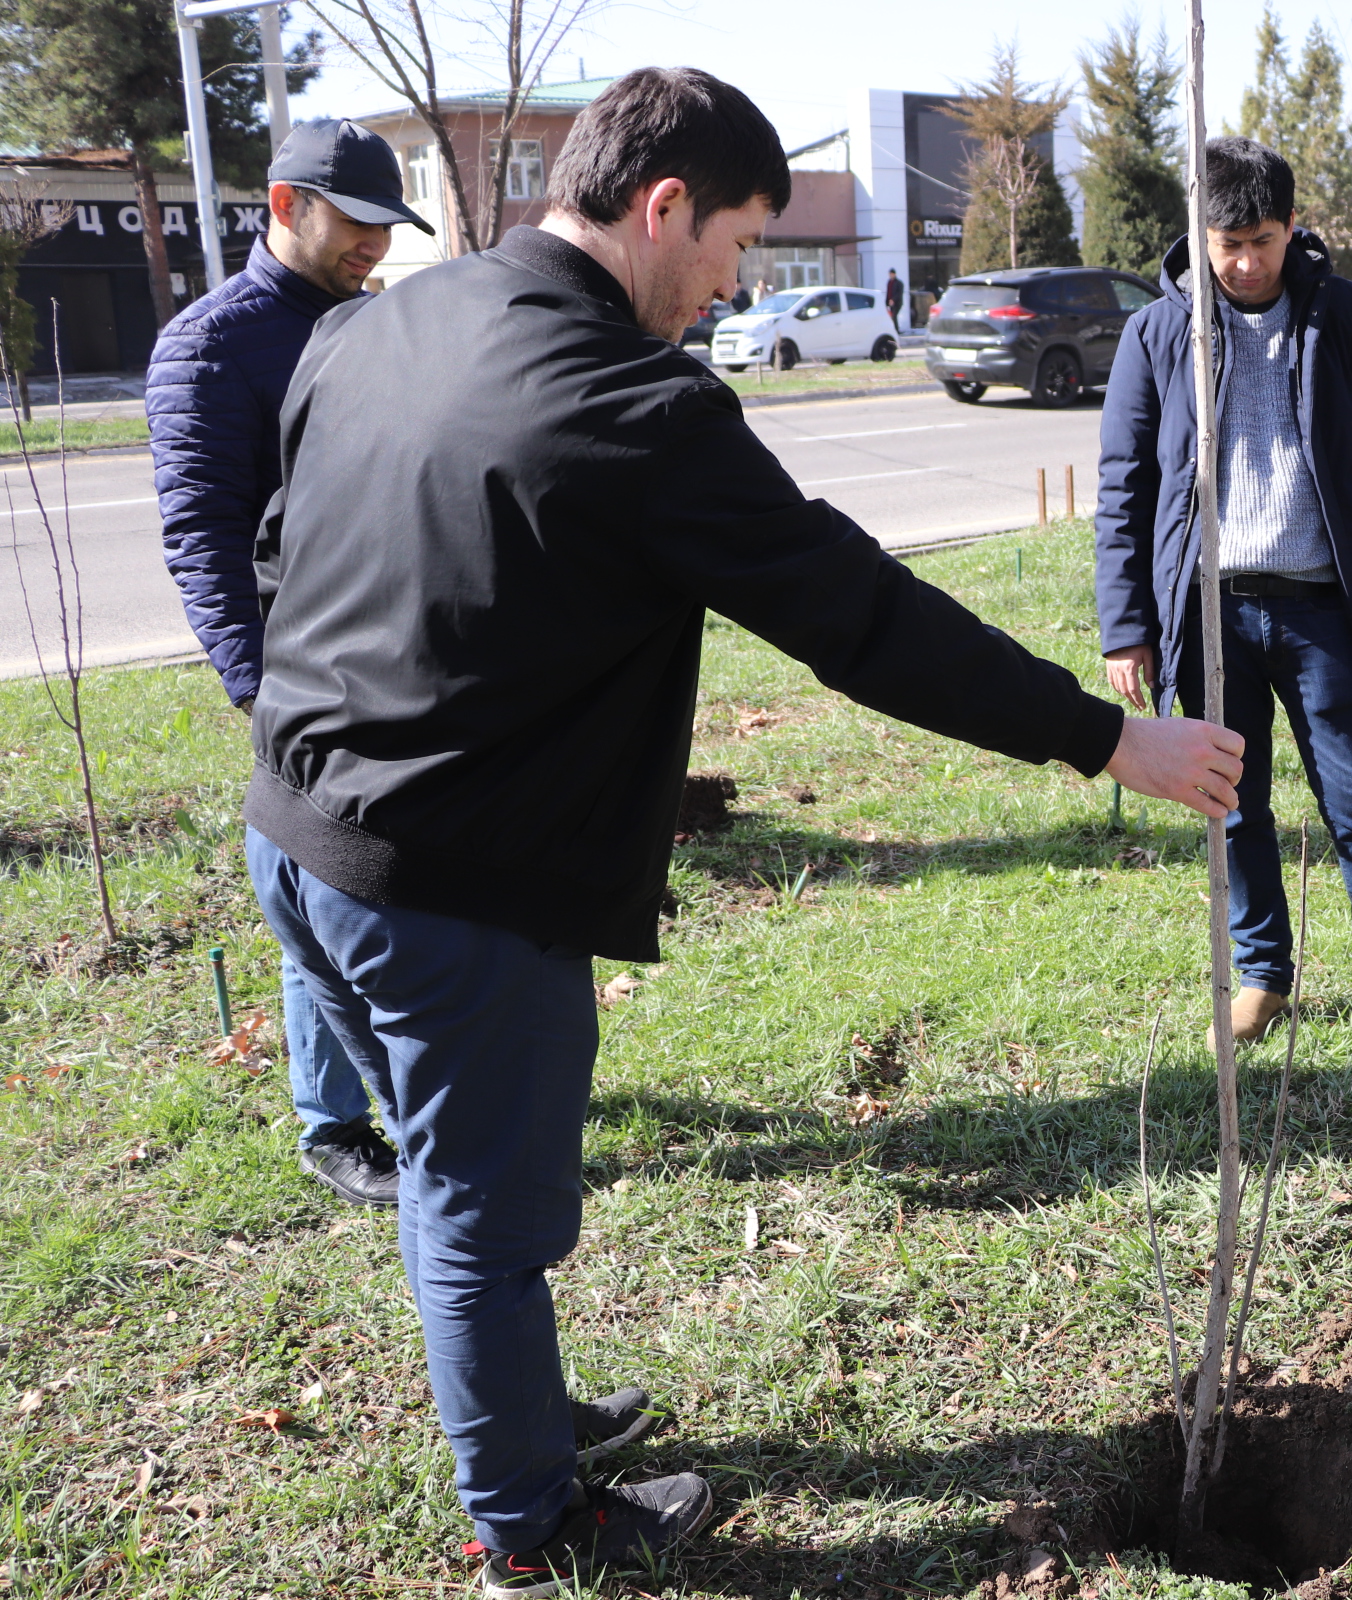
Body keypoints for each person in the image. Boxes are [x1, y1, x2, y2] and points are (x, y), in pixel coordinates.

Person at [244, 69, 1241, 1594]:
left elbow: (277, 541)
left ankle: (518, 1406)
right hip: (443, 883)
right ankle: (529, 1529)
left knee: (465, 1189)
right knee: (480, 1210)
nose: (733, 289)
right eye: (736, 252)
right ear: (662, 210)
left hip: (293, 832)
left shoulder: (384, 323)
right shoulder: (632, 406)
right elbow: (862, 620)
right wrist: (1112, 739)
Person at [1095, 136, 1352, 1049]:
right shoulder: (1160, 331)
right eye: (1226, 243)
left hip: (1323, 607)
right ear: (1200, 235)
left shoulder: (1343, 317)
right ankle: (1263, 976)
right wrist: (1127, 627)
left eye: (1261, 241)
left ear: (1291, 228)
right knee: (1235, 804)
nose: (1243, 262)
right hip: (1208, 613)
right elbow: (1125, 485)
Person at [145, 119, 434, 1211]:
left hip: (386, 652)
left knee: (353, 876)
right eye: (357, 225)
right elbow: (200, 533)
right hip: (294, 669)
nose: (375, 247)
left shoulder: (377, 322)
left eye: (386, 228)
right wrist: (253, 688)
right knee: (315, 874)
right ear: (284, 205)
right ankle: (333, 1124)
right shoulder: (211, 346)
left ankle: (409, 1080)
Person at [883, 266, 905, 333]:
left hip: (897, 302)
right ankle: (893, 329)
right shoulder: (889, 282)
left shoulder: (899, 283)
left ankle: (896, 330)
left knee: (894, 315)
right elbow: (888, 292)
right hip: (890, 302)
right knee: (892, 316)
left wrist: (893, 299)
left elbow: (899, 293)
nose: (890, 275)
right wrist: (886, 302)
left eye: (891, 274)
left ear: (894, 274)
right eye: (890, 274)